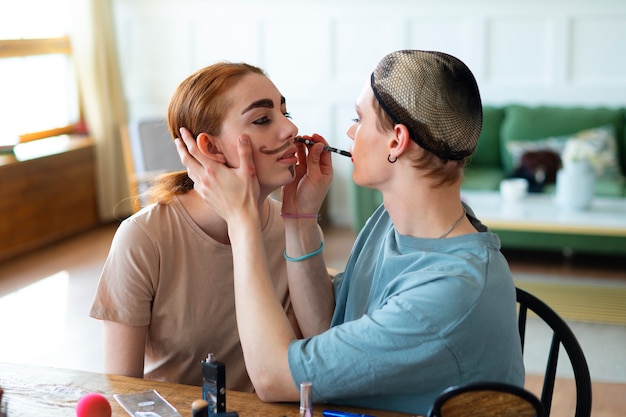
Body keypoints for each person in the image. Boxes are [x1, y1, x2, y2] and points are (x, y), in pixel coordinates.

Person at [175, 50, 525, 415]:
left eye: (359, 119)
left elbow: (272, 376)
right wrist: (300, 219)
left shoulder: (450, 291)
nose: (350, 132)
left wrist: (241, 220)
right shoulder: (389, 223)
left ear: (397, 141)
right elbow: (325, 329)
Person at [89, 62, 304, 390]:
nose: (291, 129)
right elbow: (122, 390)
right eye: (263, 119)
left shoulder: (289, 227)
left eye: (284, 113)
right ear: (210, 148)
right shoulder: (144, 238)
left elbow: (305, 369)